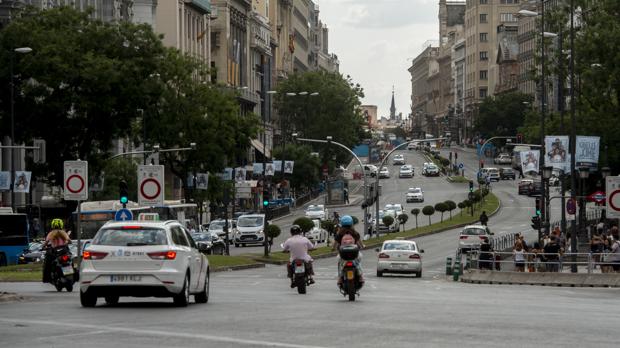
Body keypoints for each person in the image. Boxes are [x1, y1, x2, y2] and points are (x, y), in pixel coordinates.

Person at [332, 215, 364, 284]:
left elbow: (335, 244)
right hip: (354, 253)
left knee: (340, 264)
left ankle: (340, 278)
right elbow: (359, 242)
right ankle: (361, 276)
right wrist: (362, 246)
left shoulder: (340, 233)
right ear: (351, 223)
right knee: (358, 262)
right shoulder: (354, 233)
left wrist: (333, 248)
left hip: (343, 254)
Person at [42, 219, 71, 283]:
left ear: (52, 225)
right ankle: (70, 273)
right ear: (61, 225)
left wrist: (43, 247)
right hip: (64, 251)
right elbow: (69, 240)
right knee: (70, 259)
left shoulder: (51, 233)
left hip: (55, 251)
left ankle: (47, 278)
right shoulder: (64, 233)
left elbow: (46, 243)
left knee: (47, 263)